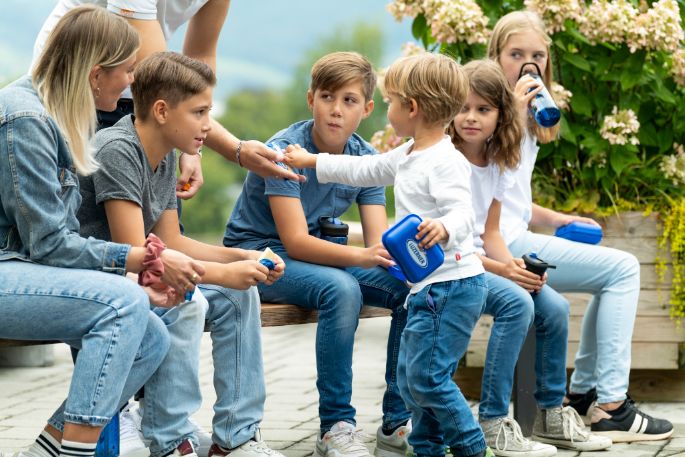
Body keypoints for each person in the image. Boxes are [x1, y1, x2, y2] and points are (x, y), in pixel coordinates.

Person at [0, 6, 205, 457]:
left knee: (150, 336)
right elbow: (49, 243)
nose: (132, 81)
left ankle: (52, 448)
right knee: (124, 303)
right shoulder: (27, 120)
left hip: (21, 268)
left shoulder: (60, 115)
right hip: (8, 269)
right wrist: (142, 261)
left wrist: (129, 272)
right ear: (96, 75)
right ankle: (80, 451)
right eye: (128, 70)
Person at [76, 51, 286, 457]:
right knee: (186, 302)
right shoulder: (117, 149)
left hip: (143, 272)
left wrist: (242, 258)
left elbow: (172, 241)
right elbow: (144, 260)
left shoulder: (166, 150)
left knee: (241, 294)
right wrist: (224, 274)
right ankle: (170, 439)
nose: (209, 125)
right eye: (200, 112)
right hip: (107, 281)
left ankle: (236, 438)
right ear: (160, 111)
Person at [284, 52, 493, 457]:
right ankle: (427, 447)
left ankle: (471, 447)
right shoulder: (409, 154)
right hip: (428, 290)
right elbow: (363, 170)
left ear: (411, 108)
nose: (386, 110)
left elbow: (466, 211)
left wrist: (447, 226)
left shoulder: (446, 161)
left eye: (391, 102)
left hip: (452, 286)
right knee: (415, 378)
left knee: (428, 379)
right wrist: (311, 160)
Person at [488, 10, 674, 442]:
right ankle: (608, 405)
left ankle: (588, 394)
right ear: (496, 57)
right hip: (498, 245)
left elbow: (509, 198)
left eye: (537, 55)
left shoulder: (532, 116)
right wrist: (512, 112)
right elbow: (482, 193)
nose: (528, 64)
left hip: (513, 230)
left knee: (612, 275)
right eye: (516, 54)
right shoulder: (488, 112)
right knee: (623, 269)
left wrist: (557, 218)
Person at [223, 51, 411, 457]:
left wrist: (399, 260)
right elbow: (295, 243)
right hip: (259, 253)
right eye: (327, 97)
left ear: (367, 108)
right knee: (342, 290)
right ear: (311, 99)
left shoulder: (364, 159)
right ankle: (335, 426)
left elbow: (378, 244)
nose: (336, 110)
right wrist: (362, 257)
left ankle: (397, 421)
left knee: (410, 290)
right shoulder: (286, 150)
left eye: (349, 100)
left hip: (313, 257)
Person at [448, 59, 611, 456]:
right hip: (450, 265)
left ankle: (550, 414)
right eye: (463, 107)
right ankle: (492, 421)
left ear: (501, 115)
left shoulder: (499, 162)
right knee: (517, 302)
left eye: (483, 110)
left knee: (551, 304)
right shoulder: (447, 161)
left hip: (483, 259)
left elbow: (490, 234)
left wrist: (514, 268)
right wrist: (503, 270)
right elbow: (454, 244)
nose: (471, 118)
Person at [32, 0, 302, 202]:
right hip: (82, 82)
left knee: (157, 212)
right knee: (90, 206)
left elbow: (200, 56)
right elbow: (160, 78)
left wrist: (192, 146)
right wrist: (236, 149)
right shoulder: (157, 90)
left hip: (145, 87)